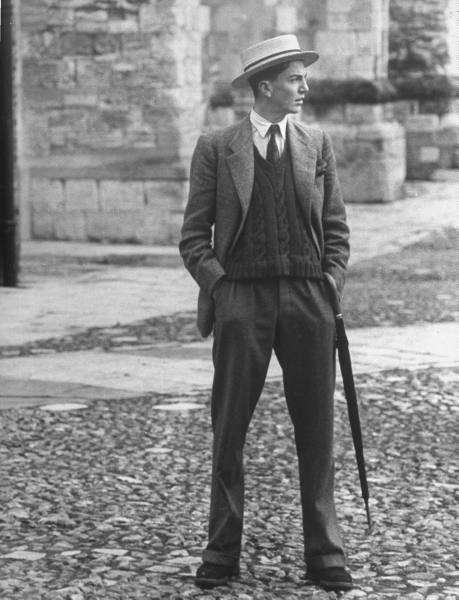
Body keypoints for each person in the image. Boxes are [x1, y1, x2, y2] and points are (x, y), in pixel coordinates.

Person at [179, 34, 352, 592]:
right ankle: (221, 552)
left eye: (303, 77)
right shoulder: (216, 146)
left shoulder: (316, 143)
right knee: (229, 431)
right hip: (242, 303)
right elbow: (192, 240)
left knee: (317, 433)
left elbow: (337, 233)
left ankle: (325, 554)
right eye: (296, 78)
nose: (305, 86)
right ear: (265, 86)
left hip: (308, 300)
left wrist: (328, 286)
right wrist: (223, 291)